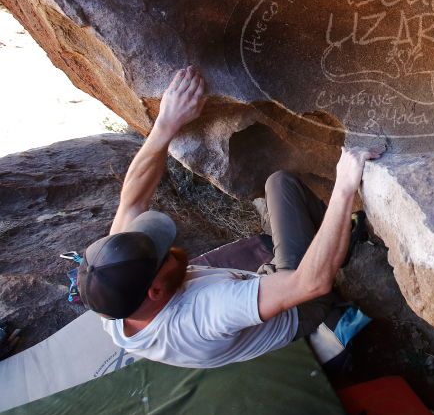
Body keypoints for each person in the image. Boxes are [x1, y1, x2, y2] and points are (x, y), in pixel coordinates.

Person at [77, 65, 381, 368]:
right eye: (162, 254)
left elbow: (132, 199)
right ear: (154, 291)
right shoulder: (203, 314)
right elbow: (310, 285)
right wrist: (344, 185)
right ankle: (346, 239)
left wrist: (166, 125)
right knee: (284, 187)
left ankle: (329, 240)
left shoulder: (113, 295)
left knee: (278, 184)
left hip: (260, 287)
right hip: (299, 309)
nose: (167, 245)